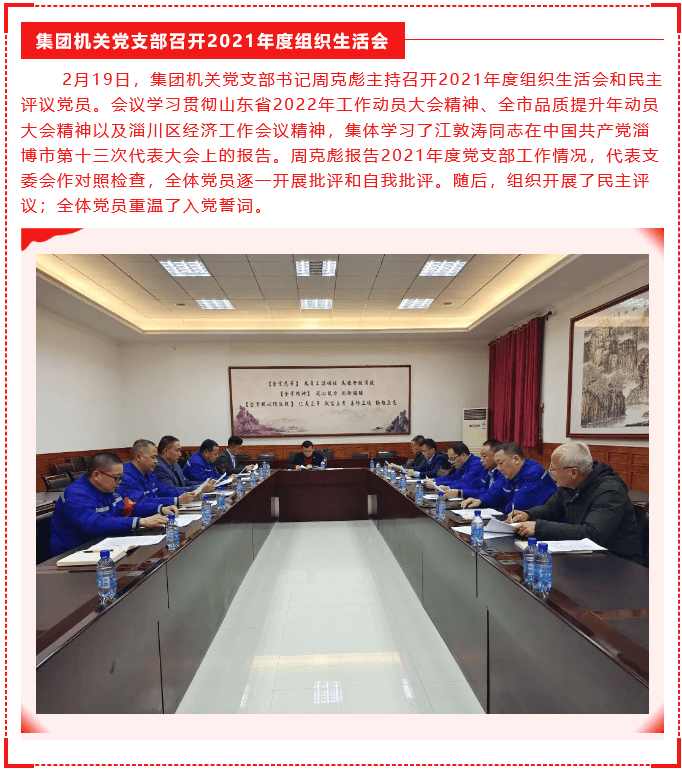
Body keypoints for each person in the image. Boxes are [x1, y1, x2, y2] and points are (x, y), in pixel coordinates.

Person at [510, 442, 644, 563]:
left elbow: (592, 534)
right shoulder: (571, 485)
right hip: (587, 555)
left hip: (619, 561)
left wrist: (539, 528)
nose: (551, 473)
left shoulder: (610, 491)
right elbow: (550, 508)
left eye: (553, 469)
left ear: (574, 472)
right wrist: (528, 514)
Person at [50, 452, 172, 555]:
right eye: (116, 477)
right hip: (75, 552)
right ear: (96, 475)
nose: (119, 482)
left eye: (121, 477)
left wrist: (160, 509)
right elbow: (94, 525)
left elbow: (128, 508)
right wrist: (140, 521)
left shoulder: (110, 488)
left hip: (105, 543)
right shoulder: (75, 494)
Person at [461, 441, 556, 514]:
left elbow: (517, 507)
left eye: (501, 463)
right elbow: (497, 493)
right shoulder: (510, 473)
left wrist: (501, 506)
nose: (498, 468)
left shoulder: (533, 473)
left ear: (516, 459)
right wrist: (480, 500)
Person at [119, 439, 198, 509]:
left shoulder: (148, 473)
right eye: (153, 457)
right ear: (139, 457)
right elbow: (142, 502)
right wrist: (176, 500)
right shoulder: (125, 476)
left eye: (156, 458)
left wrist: (189, 494)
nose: (156, 461)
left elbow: (164, 490)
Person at [432, 439, 504, 499]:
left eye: (484, 456)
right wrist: (446, 487)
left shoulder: (477, 465)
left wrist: (458, 492)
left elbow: (490, 493)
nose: (481, 460)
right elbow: (472, 484)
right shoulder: (487, 470)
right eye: (481, 456)